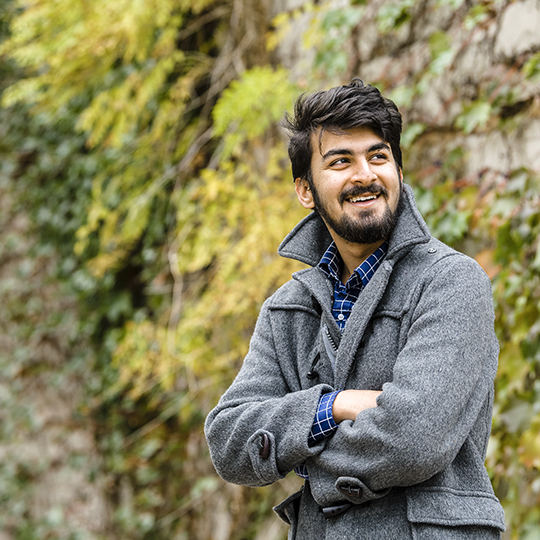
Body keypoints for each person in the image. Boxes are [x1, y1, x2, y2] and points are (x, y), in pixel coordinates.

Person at [204, 79, 506, 539]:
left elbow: (415, 436)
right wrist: (334, 406)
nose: (365, 174)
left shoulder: (450, 282)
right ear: (305, 190)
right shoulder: (288, 309)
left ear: (398, 171)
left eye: (378, 156)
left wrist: (302, 456)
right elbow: (228, 438)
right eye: (340, 161)